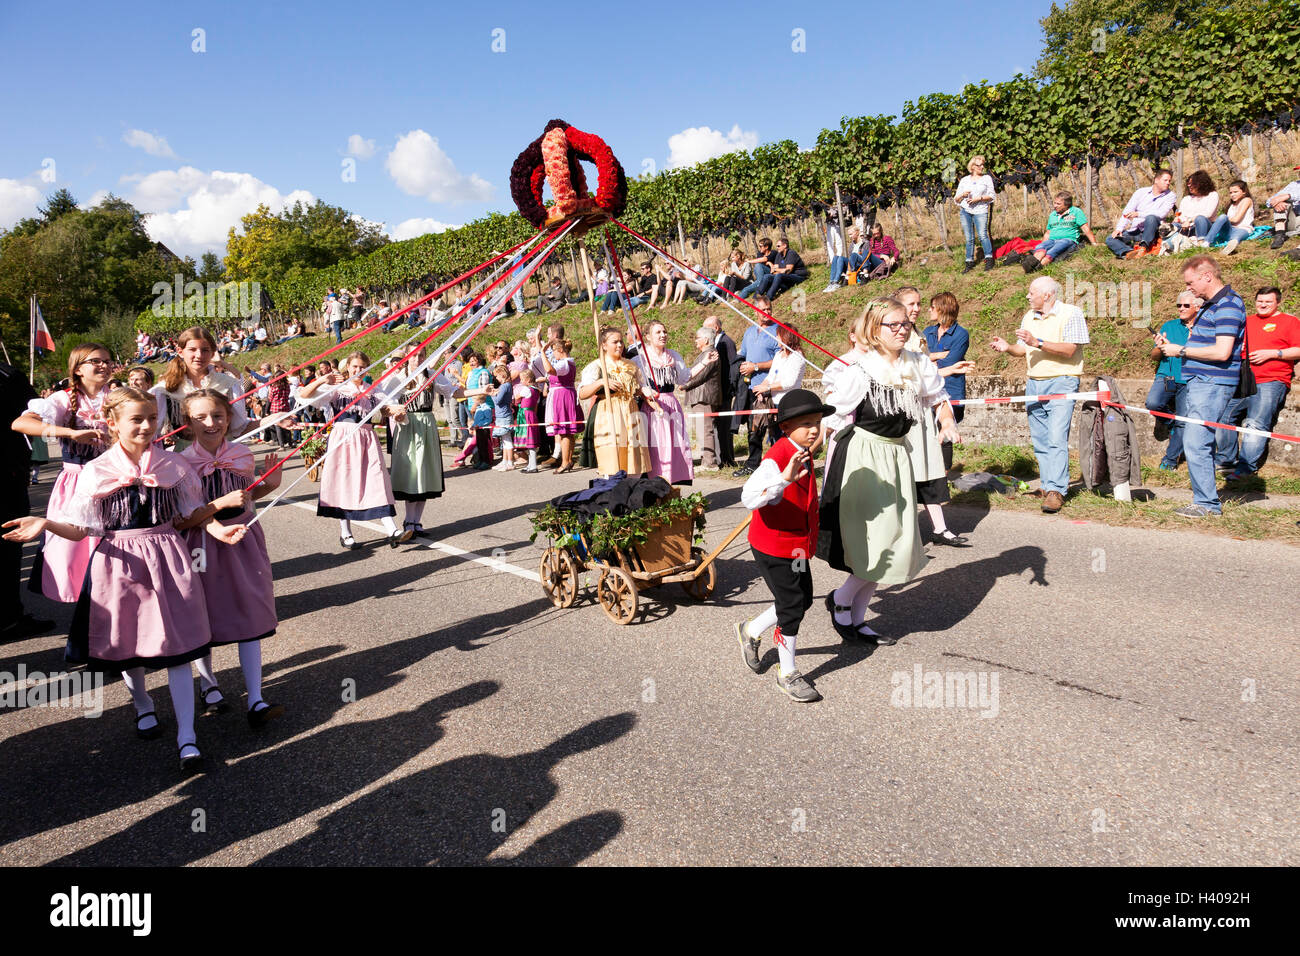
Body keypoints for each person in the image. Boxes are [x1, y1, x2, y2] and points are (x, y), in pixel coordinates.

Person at [2, 387, 241, 773]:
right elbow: (83, 530)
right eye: (136, 419)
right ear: (113, 423)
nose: (146, 426)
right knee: (130, 642)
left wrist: (219, 531)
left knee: (180, 647)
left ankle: (187, 737)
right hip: (118, 561)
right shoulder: (97, 472)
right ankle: (143, 705)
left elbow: (187, 516)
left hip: (167, 556)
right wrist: (45, 523)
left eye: (151, 418)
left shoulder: (174, 466)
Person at [819, 299, 957, 643]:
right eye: (891, 325)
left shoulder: (918, 364)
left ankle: (856, 617)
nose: (901, 330)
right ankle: (843, 602)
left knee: (897, 539)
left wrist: (947, 421)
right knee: (876, 542)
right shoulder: (861, 369)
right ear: (874, 330)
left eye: (904, 325)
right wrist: (801, 452)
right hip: (865, 458)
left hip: (897, 456)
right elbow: (833, 415)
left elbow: (938, 398)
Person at [178, 389, 284, 727]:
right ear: (187, 423)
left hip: (242, 539)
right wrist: (218, 506)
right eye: (201, 417)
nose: (211, 423)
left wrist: (267, 487)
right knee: (201, 613)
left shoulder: (241, 454)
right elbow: (182, 518)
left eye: (219, 416)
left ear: (229, 418)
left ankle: (256, 697)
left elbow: (246, 498)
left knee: (250, 609)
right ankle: (209, 685)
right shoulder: (179, 463)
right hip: (201, 542)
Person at [736, 389, 835, 703]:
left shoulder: (801, 447)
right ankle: (787, 672)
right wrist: (783, 479)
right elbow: (749, 498)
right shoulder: (777, 457)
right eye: (806, 423)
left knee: (802, 599)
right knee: (792, 604)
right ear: (786, 427)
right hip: (773, 546)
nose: (814, 429)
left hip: (795, 548)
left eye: (817, 422)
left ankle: (751, 629)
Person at [11, 343, 114, 602]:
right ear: (78, 369)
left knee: (113, 547)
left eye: (108, 360)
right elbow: (21, 424)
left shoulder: (118, 396)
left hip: (114, 480)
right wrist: (70, 432)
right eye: (96, 361)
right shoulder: (62, 399)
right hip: (76, 481)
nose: (104, 365)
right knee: (75, 548)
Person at [1154, 255, 1245, 518]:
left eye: (1191, 282)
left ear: (1207, 276)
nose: (1189, 287)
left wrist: (1180, 349)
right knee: (1196, 441)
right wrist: (1172, 346)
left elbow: (1222, 352)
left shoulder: (1228, 305)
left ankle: (1207, 504)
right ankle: (1204, 501)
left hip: (1212, 383)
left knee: (1196, 441)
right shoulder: (1210, 305)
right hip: (1201, 382)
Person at [990, 275, 1089, 514]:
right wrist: (1008, 348)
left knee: (1056, 438)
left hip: (1062, 382)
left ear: (1047, 294)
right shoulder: (1028, 316)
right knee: (1041, 440)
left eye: (1032, 292)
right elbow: (1022, 348)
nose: (1027, 296)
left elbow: (1070, 349)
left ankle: (1057, 490)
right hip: (1034, 383)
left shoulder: (1071, 313)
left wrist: (1038, 341)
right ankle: (1046, 485)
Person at [298, 352, 410, 548]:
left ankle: (392, 529)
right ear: (348, 367)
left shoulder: (374, 390)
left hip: (367, 439)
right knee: (345, 482)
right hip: (343, 439)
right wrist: (322, 379)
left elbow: (385, 409)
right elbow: (304, 395)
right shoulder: (337, 389)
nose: (358, 370)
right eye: (355, 367)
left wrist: (397, 414)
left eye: (362, 367)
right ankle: (345, 532)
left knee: (376, 480)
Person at [1217, 287, 1300, 479]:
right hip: (1243, 379)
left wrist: (1273, 353)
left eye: (1268, 302)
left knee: (1256, 423)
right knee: (1223, 416)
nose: (1262, 305)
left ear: (1278, 302)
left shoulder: (1290, 321)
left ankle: (1245, 470)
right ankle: (1226, 462)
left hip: (1272, 379)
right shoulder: (1248, 321)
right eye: (1259, 301)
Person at [384, 348, 465, 534]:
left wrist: (480, 391)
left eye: (421, 355)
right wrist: (395, 413)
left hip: (427, 425)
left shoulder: (432, 375)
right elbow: (384, 404)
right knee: (411, 472)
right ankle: (408, 521)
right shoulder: (397, 378)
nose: (417, 359)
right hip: (407, 426)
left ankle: (415, 522)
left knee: (425, 472)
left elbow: (454, 393)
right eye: (413, 355)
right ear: (407, 357)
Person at [1, 361, 54, 641]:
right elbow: (34, 414)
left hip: (8, 472)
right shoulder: (7, 375)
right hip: (7, 474)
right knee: (10, 541)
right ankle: (8, 619)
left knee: (10, 544)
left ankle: (9, 617)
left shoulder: (7, 375)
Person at [922, 292, 976, 545]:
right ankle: (934, 489)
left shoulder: (961, 334)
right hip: (927, 390)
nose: (928, 311)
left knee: (943, 438)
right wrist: (935, 357)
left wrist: (931, 359)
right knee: (928, 440)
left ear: (943, 309)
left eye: (932, 307)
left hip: (950, 391)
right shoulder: (927, 332)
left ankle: (940, 482)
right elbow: (918, 361)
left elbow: (952, 361)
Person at [152, 326, 250, 447]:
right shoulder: (163, 390)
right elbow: (152, 431)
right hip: (186, 458)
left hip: (224, 453)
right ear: (180, 351)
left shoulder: (228, 384)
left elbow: (238, 427)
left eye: (205, 350)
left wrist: (274, 418)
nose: (199, 355)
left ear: (213, 353)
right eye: (192, 349)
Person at [579, 327, 654, 478]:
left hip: (630, 411)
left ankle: (632, 494)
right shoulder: (597, 366)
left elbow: (638, 389)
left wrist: (644, 392)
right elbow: (582, 394)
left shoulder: (631, 365)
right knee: (612, 460)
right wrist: (601, 382)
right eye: (615, 342)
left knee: (634, 459)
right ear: (604, 345)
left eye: (621, 341)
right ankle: (612, 493)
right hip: (609, 413)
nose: (620, 345)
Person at [632, 320, 696, 484]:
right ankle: (655, 485)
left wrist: (704, 362)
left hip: (672, 405)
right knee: (657, 447)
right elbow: (635, 383)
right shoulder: (640, 359)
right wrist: (644, 390)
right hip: (652, 407)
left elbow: (684, 377)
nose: (663, 335)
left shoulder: (673, 355)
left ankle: (671, 484)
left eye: (664, 331)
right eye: (658, 332)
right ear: (647, 337)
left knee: (675, 446)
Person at [1146, 292, 1203, 470]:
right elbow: (1154, 355)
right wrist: (1161, 347)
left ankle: (1170, 460)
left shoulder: (1205, 327)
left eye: (1186, 306)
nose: (1181, 309)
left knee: (1184, 421)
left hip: (1190, 379)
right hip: (1167, 375)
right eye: (1179, 305)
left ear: (1197, 307)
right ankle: (1172, 424)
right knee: (1153, 404)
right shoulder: (1169, 326)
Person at [733, 298, 782, 476]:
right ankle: (753, 463)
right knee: (753, 428)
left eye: (769, 309)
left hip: (770, 388)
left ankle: (779, 464)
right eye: (763, 310)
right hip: (751, 388)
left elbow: (780, 361)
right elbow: (743, 354)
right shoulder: (749, 331)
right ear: (755, 311)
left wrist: (756, 367)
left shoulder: (778, 331)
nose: (767, 313)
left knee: (774, 428)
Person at [1107, 168, 1177, 259]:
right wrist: (1119, 229)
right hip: (1136, 230)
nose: (1168, 183)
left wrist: (1139, 214)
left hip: (1154, 231)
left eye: (1169, 181)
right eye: (1165, 180)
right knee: (1110, 239)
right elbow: (1127, 212)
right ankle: (1129, 253)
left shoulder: (1171, 196)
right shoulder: (1140, 192)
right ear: (1156, 180)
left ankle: (1143, 247)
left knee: (1151, 218)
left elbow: (1161, 214)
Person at [1024, 191, 1098, 272]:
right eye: (1054, 203)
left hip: (1067, 240)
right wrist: (1043, 243)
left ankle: (1039, 267)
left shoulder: (1076, 212)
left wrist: (1094, 243)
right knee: (1039, 248)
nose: (1055, 206)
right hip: (1052, 240)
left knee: (1055, 249)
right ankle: (1031, 265)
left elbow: (1085, 228)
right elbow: (1048, 233)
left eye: (1058, 204)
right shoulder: (1053, 215)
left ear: (1067, 205)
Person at [538, 336, 582, 473]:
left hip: (562, 396)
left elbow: (551, 370)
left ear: (560, 350)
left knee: (565, 431)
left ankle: (564, 462)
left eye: (554, 352)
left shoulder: (564, 363)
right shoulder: (567, 362)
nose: (554, 355)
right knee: (567, 431)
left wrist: (543, 354)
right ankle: (567, 460)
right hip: (564, 394)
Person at [683, 327, 723, 471]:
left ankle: (710, 463)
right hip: (701, 396)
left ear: (705, 340)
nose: (695, 341)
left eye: (697, 338)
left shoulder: (711, 353)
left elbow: (701, 375)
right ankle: (707, 459)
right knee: (702, 429)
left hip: (704, 396)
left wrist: (684, 385)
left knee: (705, 429)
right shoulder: (707, 353)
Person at [702, 315, 738, 467]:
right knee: (719, 425)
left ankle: (728, 459)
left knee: (724, 426)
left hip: (725, 391)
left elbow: (732, 367)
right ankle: (722, 456)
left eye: (707, 329)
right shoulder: (718, 342)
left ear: (715, 328)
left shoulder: (726, 342)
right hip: (719, 391)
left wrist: (730, 388)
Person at [955, 155, 996, 272]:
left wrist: (979, 198)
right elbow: (956, 199)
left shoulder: (986, 178)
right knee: (969, 238)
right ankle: (969, 262)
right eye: (979, 165)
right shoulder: (964, 180)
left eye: (983, 164)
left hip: (981, 210)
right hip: (965, 211)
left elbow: (992, 196)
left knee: (982, 235)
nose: (982, 167)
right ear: (972, 166)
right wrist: (963, 195)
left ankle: (989, 259)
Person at [1163, 170, 1219, 251]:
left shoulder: (1212, 195)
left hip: (1204, 225)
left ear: (1201, 184)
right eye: (1188, 183)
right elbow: (1182, 214)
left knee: (1200, 218)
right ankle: (1169, 245)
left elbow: (1208, 214)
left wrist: (1189, 221)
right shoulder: (1186, 199)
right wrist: (1179, 220)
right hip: (1186, 226)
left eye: (1192, 184)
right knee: (1173, 225)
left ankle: (1201, 242)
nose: (1189, 186)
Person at [1206, 180, 1254, 254]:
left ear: (1244, 192)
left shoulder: (1247, 200)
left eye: (1235, 192)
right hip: (1229, 230)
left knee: (1237, 235)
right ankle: (1207, 242)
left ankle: (1232, 244)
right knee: (1222, 217)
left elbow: (1236, 219)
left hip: (1242, 229)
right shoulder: (1231, 205)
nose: (1232, 195)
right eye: (1231, 193)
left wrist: (1221, 220)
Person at [755, 236, 808, 301]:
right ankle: (756, 297)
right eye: (777, 246)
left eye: (778, 246)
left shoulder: (791, 253)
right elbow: (774, 271)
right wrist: (779, 270)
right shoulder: (778, 255)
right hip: (785, 277)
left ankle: (768, 297)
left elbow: (788, 271)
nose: (777, 248)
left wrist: (777, 270)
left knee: (778, 275)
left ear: (785, 245)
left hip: (797, 276)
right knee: (767, 276)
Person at [513, 368, 545, 472]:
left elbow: (517, 398)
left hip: (525, 415)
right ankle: (531, 464)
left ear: (527, 380)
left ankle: (533, 466)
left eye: (522, 379)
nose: (521, 381)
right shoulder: (536, 390)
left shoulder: (526, 390)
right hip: (531, 415)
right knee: (530, 441)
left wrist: (518, 400)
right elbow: (535, 405)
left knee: (530, 442)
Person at [489, 364, 516, 471]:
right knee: (504, 440)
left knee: (507, 440)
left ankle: (510, 462)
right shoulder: (506, 386)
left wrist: (491, 393)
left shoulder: (505, 386)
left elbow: (497, 401)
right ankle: (504, 461)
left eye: (497, 376)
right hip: (502, 415)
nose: (496, 378)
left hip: (504, 416)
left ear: (503, 375)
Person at [1265, 172, 1300, 250]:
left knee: (1283, 199)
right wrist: (1277, 202)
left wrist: (1288, 196)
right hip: (1294, 219)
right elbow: (1270, 201)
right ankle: (1279, 234)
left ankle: (1285, 233)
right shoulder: (1294, 185)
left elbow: (1296, 195)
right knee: (1281, 203)